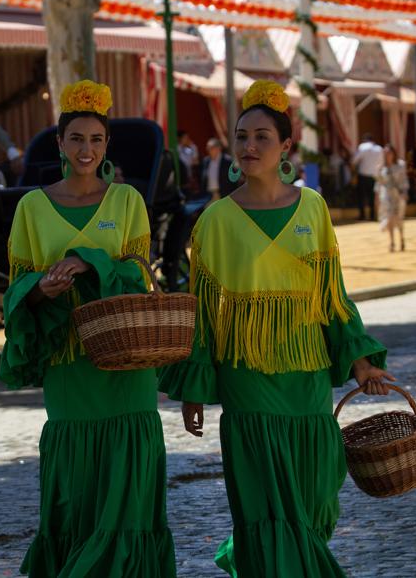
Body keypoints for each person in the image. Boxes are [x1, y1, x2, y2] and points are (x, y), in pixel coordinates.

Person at [159, 80, 393, 577]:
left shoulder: (314, 209)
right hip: (247, 382)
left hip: (306, 378)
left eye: (262, 136)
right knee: (265, 504)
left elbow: (333, 296)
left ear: (287, 146)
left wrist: (361, 361)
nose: (249, 146)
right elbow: (201, 313)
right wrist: (194, 391)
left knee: (313, 500)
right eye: (242, 136)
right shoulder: (214, 221)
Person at [0, 80, 174, 576]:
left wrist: (84, 262)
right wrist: (41, 289)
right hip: (69, 361)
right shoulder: (31, 207)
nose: (87, 150)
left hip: (125, 361)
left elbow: (141, 275)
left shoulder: (127, 201)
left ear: (106, 147)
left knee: (129, 474)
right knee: (76, 479)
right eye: (77, 139)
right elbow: (17, 288)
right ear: (59, 143)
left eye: (96, 140)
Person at [376, 145, 409, 252]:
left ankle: (401, 238)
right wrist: (377, 196)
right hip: (386, 195)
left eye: (389, 153)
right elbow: (379, 183)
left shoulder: (400, 165)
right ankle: (392, 242)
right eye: (386, 153)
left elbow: (404, 180)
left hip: (398, 194)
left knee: (399, 217)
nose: (387, 155)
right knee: (389, 217)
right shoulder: (381, 168)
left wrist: (404, 192)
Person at [352, 133, 383, 221]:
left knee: (361, 196)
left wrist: (353, 172)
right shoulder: (379, 149)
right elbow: (381, 163)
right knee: (372, 196)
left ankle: (362, 215)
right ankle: (373, 215)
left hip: (363, 175)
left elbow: (355, 160)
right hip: (375, 175)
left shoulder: (363, 147)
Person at [197, 137, 238, 202]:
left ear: (218, 148)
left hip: (223, 195)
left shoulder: (227, 161)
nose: (208, 150)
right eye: (208, 148)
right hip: (208, 195)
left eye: (211, 148)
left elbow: (234, 180)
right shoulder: (206, 161)